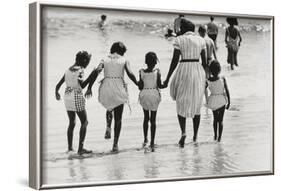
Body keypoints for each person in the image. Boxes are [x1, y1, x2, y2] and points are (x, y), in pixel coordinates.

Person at [85, 42, 139, 152]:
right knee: (118, 118)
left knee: (109, 107)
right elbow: (130, 73)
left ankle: (108, 126)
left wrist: (89, 87)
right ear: (122, 52)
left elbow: (96, 72)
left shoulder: (104, 59)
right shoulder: (124, 60)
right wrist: (138, 83)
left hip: (107, 87)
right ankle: (115, 144)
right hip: (118, 87)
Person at [163, 19, 208, 147]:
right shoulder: (201, 40)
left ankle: (183, 132)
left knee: (181, 101)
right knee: (196, 103)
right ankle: (195, 136)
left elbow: (174, 61)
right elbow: (205, 63)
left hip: (184, 68)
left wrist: (167, 79)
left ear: (183, 29)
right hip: (198, 71)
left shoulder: (179, 40)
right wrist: (206, 79)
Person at [55, 51, 93, 155]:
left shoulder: (68, 69)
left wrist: (56, 92)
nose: (87, 65)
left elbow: (58, 85)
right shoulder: (80, 70)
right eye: (87, 62)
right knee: (85, 122)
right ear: (84, 61)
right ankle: (81, 148)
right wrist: (92, 75)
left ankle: (70, 148)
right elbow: (83, 85)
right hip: (76, 95)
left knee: (72, 122)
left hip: (67, 96)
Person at [138, 52, 165, 152]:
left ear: (146, 61)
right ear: (155, 62)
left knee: (146, 118)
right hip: (154, 94)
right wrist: (165, 83)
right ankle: (152, 141)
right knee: (153, 120)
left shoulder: (141, 71)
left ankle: (145, 139)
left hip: (144, 94)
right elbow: (160, 85)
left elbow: (140, 87)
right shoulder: (157, 72)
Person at [205, 60, 230, 142]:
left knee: (215, 119)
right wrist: (229, 101)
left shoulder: (208, 80)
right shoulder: (223, 79)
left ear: (211, 71)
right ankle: (219, 138)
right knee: (221, 120)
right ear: (219, 70)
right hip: (221, 100)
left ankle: (215, 135)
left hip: (213, 100)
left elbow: (203, 89)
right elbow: (227, 90)